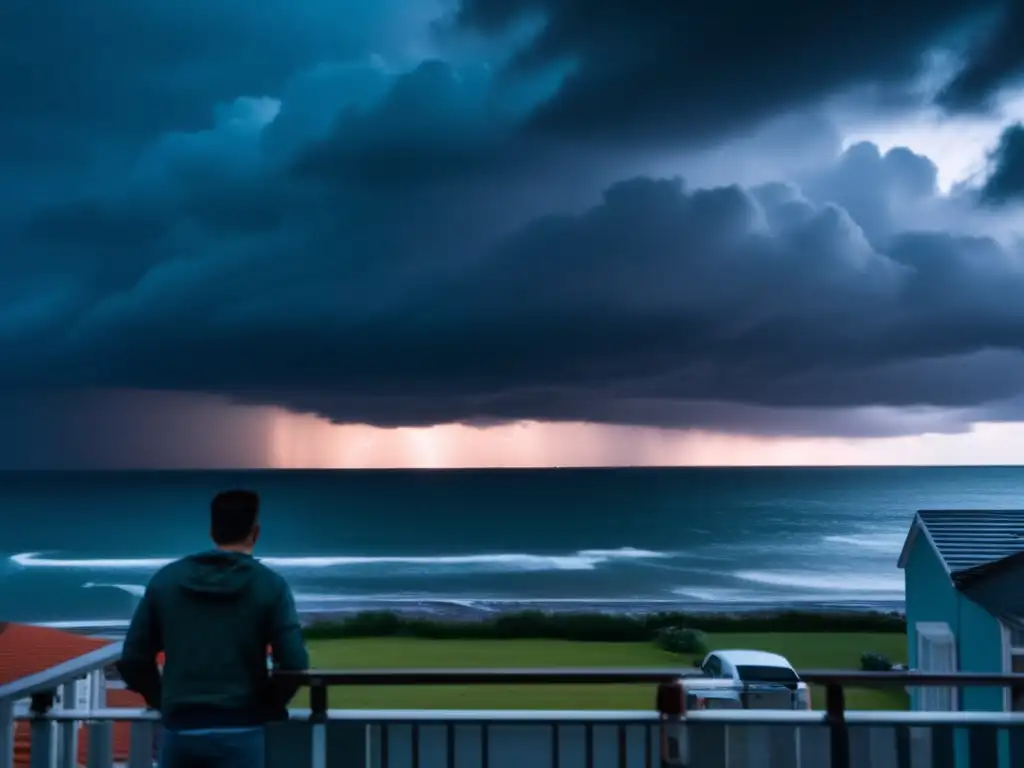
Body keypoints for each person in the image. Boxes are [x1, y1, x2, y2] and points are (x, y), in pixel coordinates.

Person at [117, 489, 309, 768]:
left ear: (212, 531)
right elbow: (294, 662)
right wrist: (268, 706)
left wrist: (164, 700)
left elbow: (133, 660)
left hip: (181, 730)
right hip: (244, 729)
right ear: (255, 533)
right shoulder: (270, 585)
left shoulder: (167, 580)